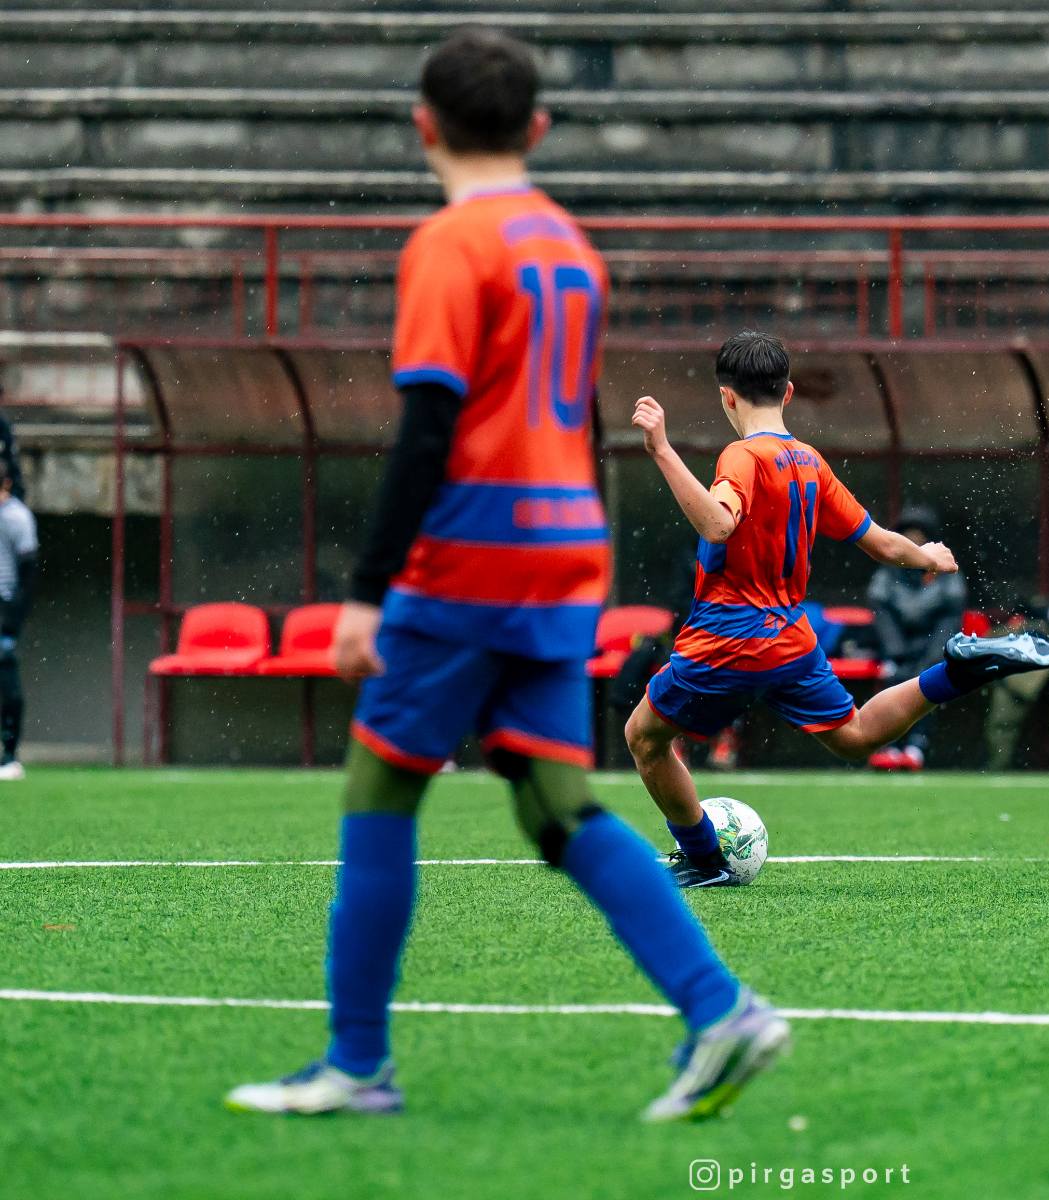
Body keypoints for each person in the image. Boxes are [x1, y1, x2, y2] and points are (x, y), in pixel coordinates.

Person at [226, 28, 788, 1124]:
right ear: (537, 127)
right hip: (562, 546)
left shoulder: (449, 244)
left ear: (422, 126)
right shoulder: (572, 247)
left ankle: (355, 1063)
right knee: (553, 802)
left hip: (473, 550)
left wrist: (365, 590)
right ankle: (720, 1011)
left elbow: (429, 427)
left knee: (381, 788)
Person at [625, 330, 1049, 887]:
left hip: (727, 635)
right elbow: (881, 543)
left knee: (645, 738)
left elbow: (717, 523)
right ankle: (959, 671)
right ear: (788, 392)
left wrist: (662, 450)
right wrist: (928, 555)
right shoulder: (810, 462)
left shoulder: (742, 455)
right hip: (790, 635)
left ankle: (705, 859)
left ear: (726, 396)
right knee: (856, 735)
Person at [864, 506, 966, 771]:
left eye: (919, 537)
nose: (914, 541)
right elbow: (881, 610)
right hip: (896, 646)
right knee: (894, 677)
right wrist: (895, 651)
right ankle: (887, 745)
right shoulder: (889, 572)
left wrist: (935, 653)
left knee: (926, 682)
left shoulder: (944, 569)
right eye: (908, 536)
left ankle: (916, 746)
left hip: (931, 645)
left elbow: (950, 616)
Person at [0, 468, 38, 780]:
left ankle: (9, 755)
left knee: (7, 684)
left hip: (3, 607)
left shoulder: (17, 518)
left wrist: (13, 618)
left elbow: (28, 572)